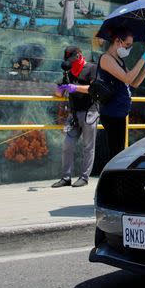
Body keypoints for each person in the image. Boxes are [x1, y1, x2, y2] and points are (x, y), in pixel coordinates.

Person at [97, 27, 145, 162]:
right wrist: (142, 58)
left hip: (119, 112)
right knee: (116, 153)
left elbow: (134, 82)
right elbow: (127, 78)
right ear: (118, 41)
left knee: (118, 151)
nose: (129, 49)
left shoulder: (119, 60)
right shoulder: (106, 58)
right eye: (128, 45)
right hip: (112, 112)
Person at [51, 46, 98, 188]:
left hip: (90, 111)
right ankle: (66, 177)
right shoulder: (69, 71)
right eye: (68, 60)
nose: (70, 62)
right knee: (67, 144)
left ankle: (84, 177)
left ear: (79, 55)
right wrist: (60, 88)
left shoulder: (91, 68)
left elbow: (93, 88)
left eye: (72, 58)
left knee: (88, 147)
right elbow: (58, 92)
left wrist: (74, 87)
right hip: (73, 114)